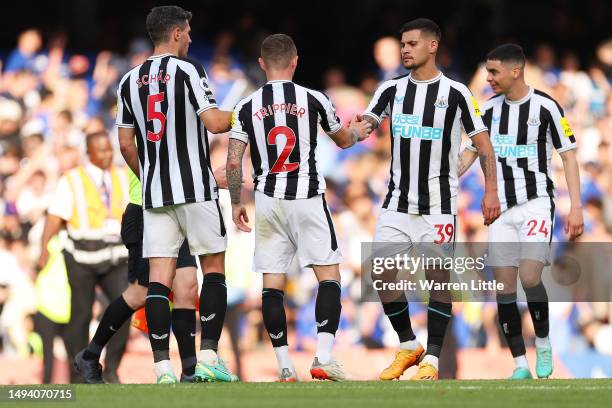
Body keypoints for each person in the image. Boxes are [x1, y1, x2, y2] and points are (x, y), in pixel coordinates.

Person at [356, 18, 500, 381]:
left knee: (438, 280)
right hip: (396, 202)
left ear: (432, 46)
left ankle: (432, 361)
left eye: (412, 43)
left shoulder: (455, 93)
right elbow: (368, 122)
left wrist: (491, 192)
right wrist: (351, 132)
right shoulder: (390, 89)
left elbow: (483, 144)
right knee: (380, 273)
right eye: (402, 44)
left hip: (438, 205)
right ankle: (408, 344)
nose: (405, 49)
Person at [226, 34, 371, 382]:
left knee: (271, 285)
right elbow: (342, 139)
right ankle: (322, 356)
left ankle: (285, 366)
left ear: (262, 64)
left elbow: (233, 163)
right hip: (306, 197)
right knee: (330, 276)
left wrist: (234, 202)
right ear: (295, 61)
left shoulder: (245, 106)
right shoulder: (314, 99)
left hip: (268, 199)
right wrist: (359, 132)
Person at [116, 5, 235, 384]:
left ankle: (162, 369)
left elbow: (125, 144)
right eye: (187, 31)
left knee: (159, 282)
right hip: (195, 188)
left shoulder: (128, 80)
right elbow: (215, 123)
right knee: (213, 269)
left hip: (155, 195)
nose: (189, 37)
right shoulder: (189, 70)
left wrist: (150, 175)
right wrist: (249, 110)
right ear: (178, 34)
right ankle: (210, 358)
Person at [458, 43, 584, 379]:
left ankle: (542, 342)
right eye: (487, 72)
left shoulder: (545, 107)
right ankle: (518, 364)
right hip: (499, 210)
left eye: (494, 72)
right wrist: (440, 176)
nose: (489, 78)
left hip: (536, 203)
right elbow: (470, 153)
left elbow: (569, 155)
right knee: (504, 288)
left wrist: (576, 207)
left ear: (516, 70)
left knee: (530, 276)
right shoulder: (488, 109)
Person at [73, 163, 216, 383]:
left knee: (187, 286)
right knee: (139, 293)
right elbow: (131, 149)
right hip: (146, 209)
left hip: (179, 207)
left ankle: (189, 371)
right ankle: (90, 355)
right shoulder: (143, 127)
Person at [38, 131, 131, 383]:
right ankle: (81, 375)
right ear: (88, 152)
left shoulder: (122, 176)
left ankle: (111, 369)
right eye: (101, 150)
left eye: (109, 150)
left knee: (125, 307)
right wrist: (44, 247)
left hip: (114, 255)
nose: (107, 155)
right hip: (81, 256)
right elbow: (55, 216)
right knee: (80, 316)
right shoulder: (71, 180)